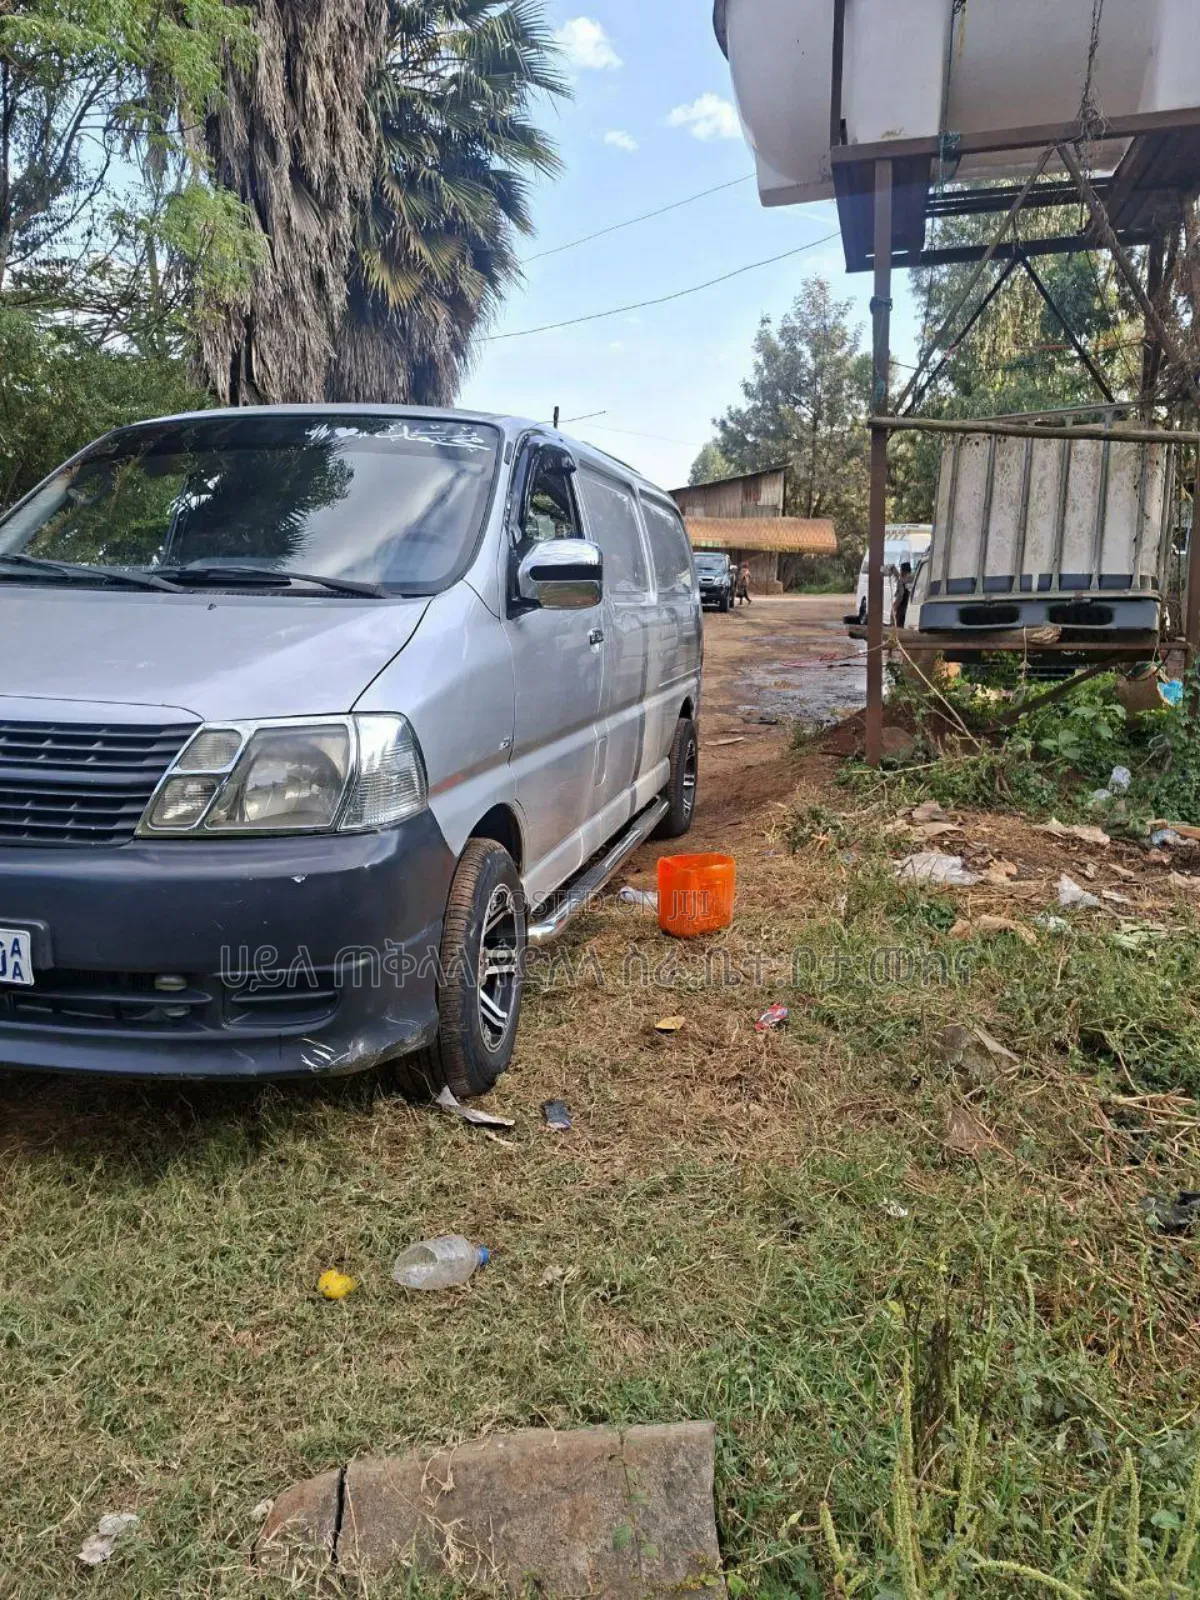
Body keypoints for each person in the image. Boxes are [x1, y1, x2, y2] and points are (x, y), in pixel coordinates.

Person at [893, 560, 913, 629]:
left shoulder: (901, 581)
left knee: (899, 628)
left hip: (902, 609)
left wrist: (895, 606)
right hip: (911, 608)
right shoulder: (914, 579)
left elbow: (901, 595)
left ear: (903, 571)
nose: (900, 572)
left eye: (901, 570)